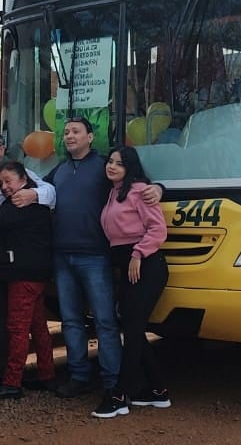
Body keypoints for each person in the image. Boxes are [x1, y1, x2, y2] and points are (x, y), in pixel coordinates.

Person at [46, 116, 159, 402]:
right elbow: (36, 188)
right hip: (62, 255)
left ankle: (112, 381)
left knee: (105, 321)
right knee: (70, 321)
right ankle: (79, 376)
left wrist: (160, 188)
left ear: (90, 137)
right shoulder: (58, 170)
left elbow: (138, 184)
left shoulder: (103, 167)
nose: (69, 136)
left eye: (76, 131)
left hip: (95, 256)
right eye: (66, 132)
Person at [0, 130, 56, 393]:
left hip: (23, 272)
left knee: (16, 327)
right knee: (37, 326)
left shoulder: (24, 197)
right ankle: (47, 374)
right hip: (22, 269)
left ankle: (11, 382)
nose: (6, 186)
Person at [96, 146, 171, 418]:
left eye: (119, 163)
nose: (112, 166)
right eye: (110, 161)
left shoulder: (139, 190)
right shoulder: (113, 192)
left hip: (145, 265)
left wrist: (138, 254)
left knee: (133, 329)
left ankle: (120, 394)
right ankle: (158, 391)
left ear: (130, 167)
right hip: (127, 267)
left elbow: (158, 228)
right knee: (133, 329)